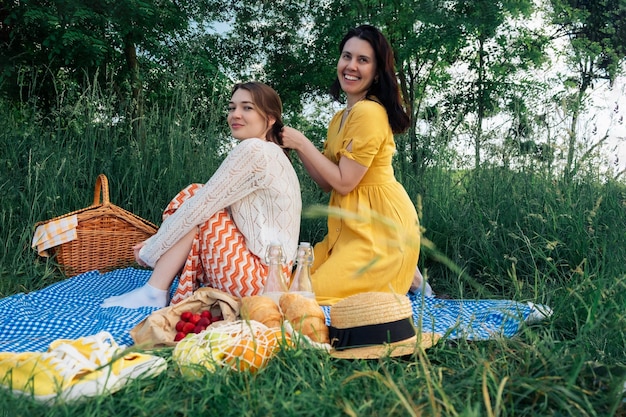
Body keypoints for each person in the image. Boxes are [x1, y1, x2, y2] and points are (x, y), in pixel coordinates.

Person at [102, 82, 302, 309]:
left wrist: (152, 249)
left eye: (247, 108)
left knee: (196, 196)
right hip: (275, 279)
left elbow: (200, 206)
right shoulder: (272, 152)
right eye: (231, 107)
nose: (235, 115)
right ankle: (155, 289)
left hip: (258, 280)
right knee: (201, 201)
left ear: (270, 118)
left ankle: (154, 290)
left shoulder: (255, 149)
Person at [280, 25, 420, 306]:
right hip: (347, 232)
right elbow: (325, 181)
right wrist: (294, 147)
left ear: (377, 72)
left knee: (306, 297)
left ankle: (405, 275)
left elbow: (345, 182)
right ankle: (411, 280)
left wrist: (302, 143)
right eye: (347, 56)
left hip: (378, 231)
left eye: (363, 60)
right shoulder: (340, 117)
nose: (351, 66)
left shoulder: (369, 112)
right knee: (291, 283)